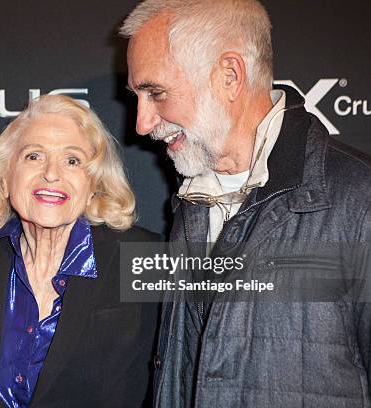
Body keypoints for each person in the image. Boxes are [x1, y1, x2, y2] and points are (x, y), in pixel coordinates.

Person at [120, 1, 371, 407]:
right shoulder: (191, 203)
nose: (142, 123)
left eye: (156, 93)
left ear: (229, 75)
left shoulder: (360, 200)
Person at [0, 94, 160, 407]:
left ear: (94, 185)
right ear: (4, 177)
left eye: (72, 161)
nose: (52, 173)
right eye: (34, 156)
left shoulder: (145, 255)